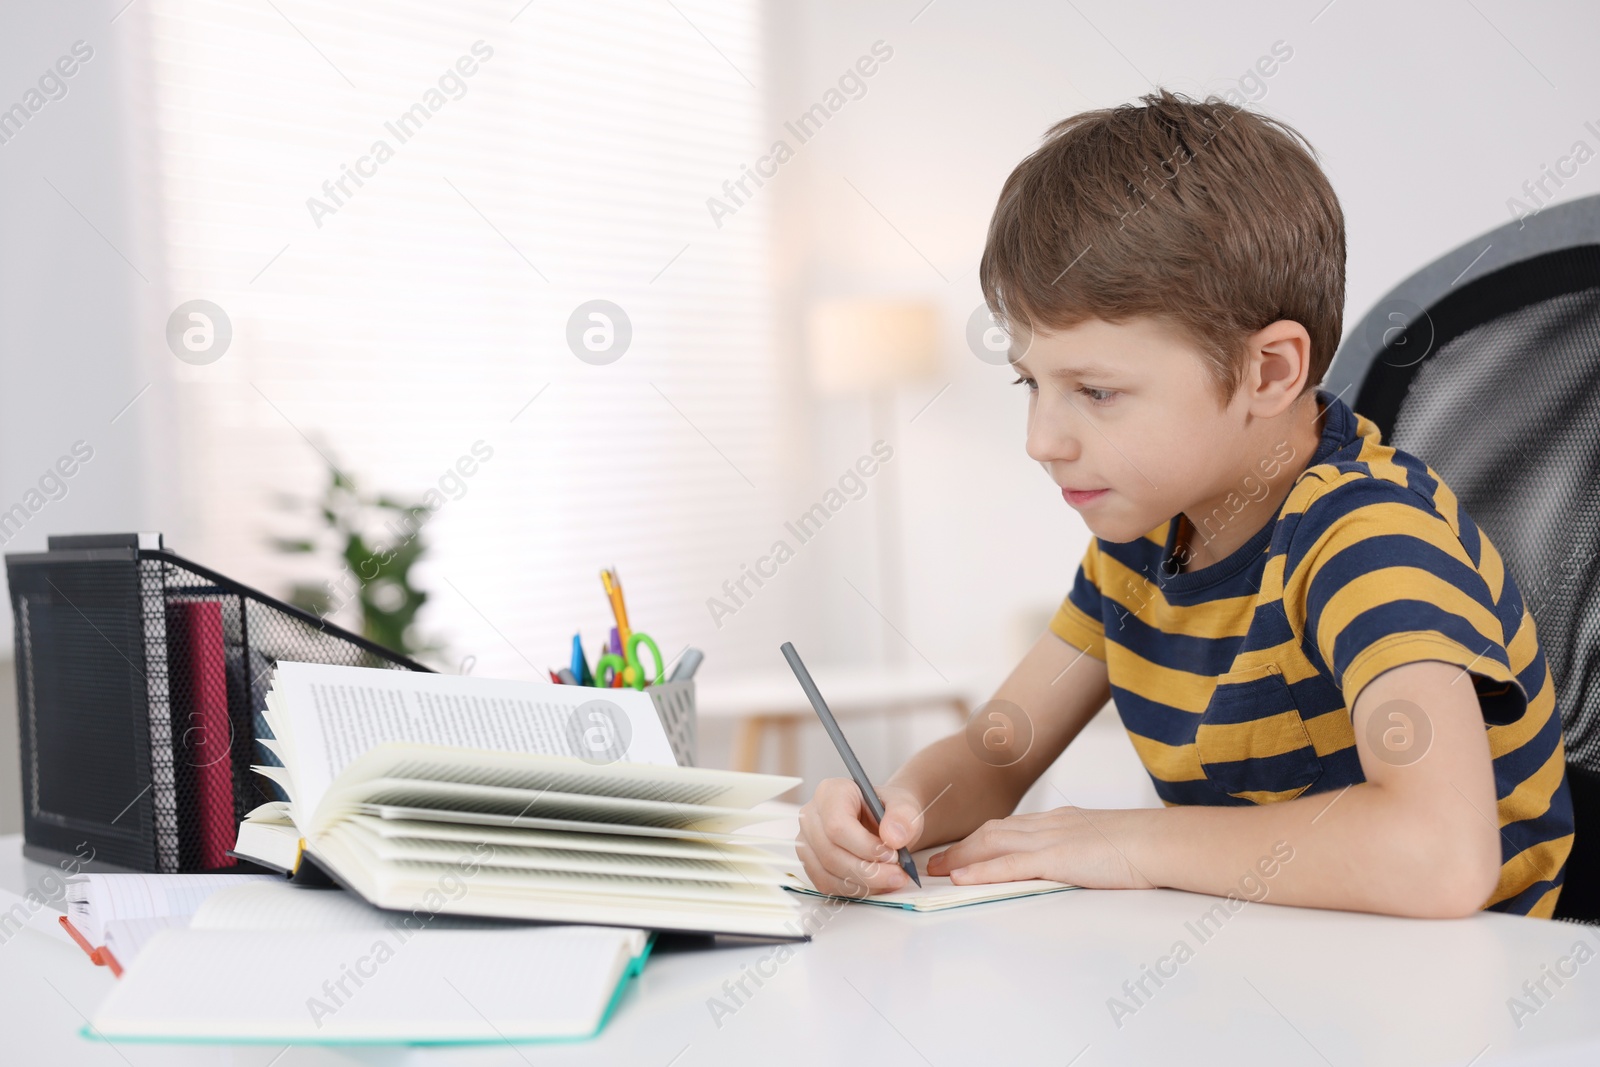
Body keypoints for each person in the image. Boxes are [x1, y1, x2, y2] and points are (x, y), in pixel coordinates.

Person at [795, 89, 1572, 918]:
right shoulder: (1142, 543)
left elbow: (1439, 856)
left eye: (1095, 390)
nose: (1041, 439)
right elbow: (998, 753)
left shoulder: (1369, 539)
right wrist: (894, 810)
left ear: (1269, 372)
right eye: (1032, 382)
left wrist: (1124, 842)